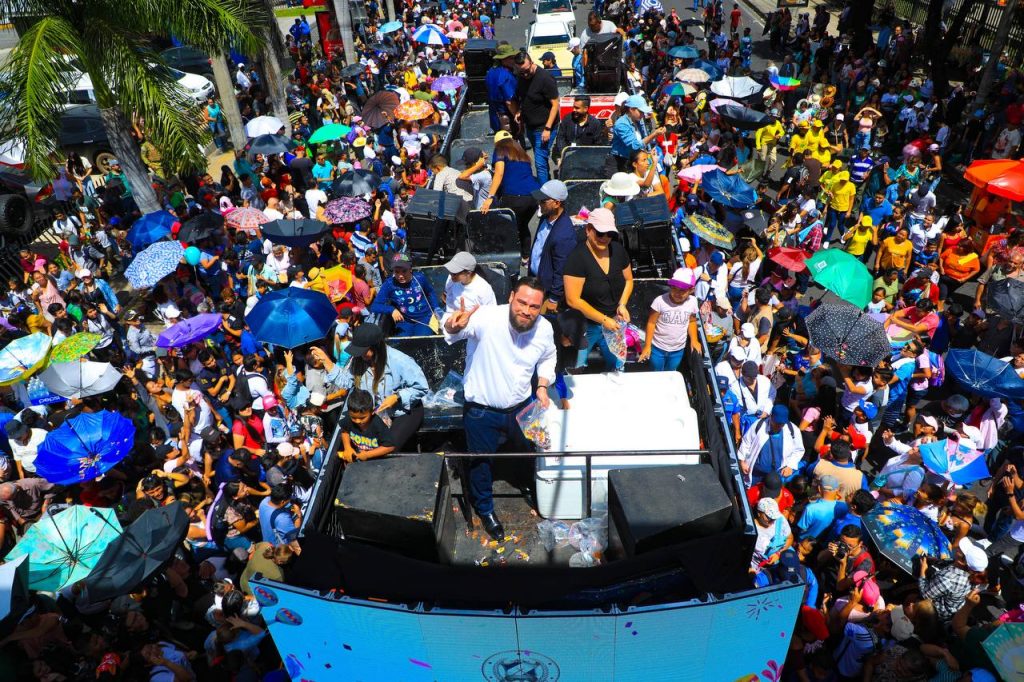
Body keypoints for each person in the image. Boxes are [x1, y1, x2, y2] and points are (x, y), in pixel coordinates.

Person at [443, 277, 556, 541]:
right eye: (522, 302)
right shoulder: (487, 318)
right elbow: (454, 330)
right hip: (482, 411)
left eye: (534, 307)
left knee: (529, 452)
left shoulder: (545, 329)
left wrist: (541, 384)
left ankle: (531, 486)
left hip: (522, 407)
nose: (527, 311)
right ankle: (485, 509)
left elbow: (549, 356)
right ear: (511, 297)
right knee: (481, 463)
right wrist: (452, 323)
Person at [563, 208, 634, 372]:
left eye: (610, 234)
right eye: (600, 233)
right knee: (576, 367)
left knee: (616, 364)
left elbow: (629, 280)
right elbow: (573, 300)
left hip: (614, 322)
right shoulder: (577, 258)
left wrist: (622, 305)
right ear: (588, 230)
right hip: (586, 326)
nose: (605, 238)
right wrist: (603, 320)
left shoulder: (618, 250)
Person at [480, 131, 540, 268]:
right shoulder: (521, 153)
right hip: (533, 197)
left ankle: (508, 262)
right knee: (522, 225)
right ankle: (526, 257)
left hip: (515, 196)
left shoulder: (500, 150)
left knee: (507, 228)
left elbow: (499, 173)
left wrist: (490, 197)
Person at [639, 267, 702, 371]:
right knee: (656, 371)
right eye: (674, 288)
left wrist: (694, 340)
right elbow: (651, 323)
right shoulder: (660, 301)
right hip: (657, 348)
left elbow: (692, 321)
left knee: (671, 372)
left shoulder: (693, 302)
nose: (677, 293)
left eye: (682, 290)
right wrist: (647, 346)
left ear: (691, 290)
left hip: (678, 349)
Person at [528, 180, 577, 311]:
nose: (539, 203)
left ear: (556, 203)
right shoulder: (545, 218)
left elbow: (561, 269)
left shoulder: (564, 234)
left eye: (543, 201)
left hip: (548, 293)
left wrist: (554, 298)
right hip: (536, 282)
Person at [369, 253, 441, 337]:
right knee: (403, 344)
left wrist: (436, 309)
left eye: (404, 271)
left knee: (422, 340)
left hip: (425, 318)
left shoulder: (419, 278)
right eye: (397, 272)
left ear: (410, 269)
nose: (400, 276)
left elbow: (430, 292)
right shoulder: (389, 284)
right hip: (405, 321)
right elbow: (375, 306)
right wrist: (391, 310)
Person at [737, 403, 804, 485]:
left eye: (782, 423)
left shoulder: (793, 430)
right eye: (777, 423)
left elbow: (799, 450)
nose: (779, 426)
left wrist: (790, 466)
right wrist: (742, 461)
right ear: (771, 416)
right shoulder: (759, 425)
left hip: (777, 474)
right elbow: (746, 443)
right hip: (756, 473)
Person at [338, 389, 395, 463]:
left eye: (362, 418)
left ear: (372, 412)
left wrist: (368, 455)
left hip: (378, 460)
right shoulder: (348, 420)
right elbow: (345, 431)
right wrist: (347, 447)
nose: (358, 421)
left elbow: (389, 446)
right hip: (358, 458)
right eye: (354, 417)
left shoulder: (378, 424)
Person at [551, 95, 607, 168]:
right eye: (573, 107)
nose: (574, 110)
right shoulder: (567, 119)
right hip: (568, 155)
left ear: (585, 108)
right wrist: (563, 154)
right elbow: (560, 138)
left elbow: (597, 145)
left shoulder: (595, 124)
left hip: (586, 159)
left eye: (577, 108)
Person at [611, 95, 663, 172]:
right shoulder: (621, 124)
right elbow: (634, 146)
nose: (643, 115)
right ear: (631, 109)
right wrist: (654, 134)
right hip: (620, 164)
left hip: (632, 162)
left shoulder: (638, 121)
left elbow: (642, 142)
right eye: (640, 112)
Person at [441, 251, 496, 319]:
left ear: (468, 273)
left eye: (455, 273)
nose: (451, 275)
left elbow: (491, 315)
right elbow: (449, 303)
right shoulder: (450, 280)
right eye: (450, 272)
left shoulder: (484, 289)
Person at [484, 44, 520, 134]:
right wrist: (517, 117)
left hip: (494, 117)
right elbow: (509, 102)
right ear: (503, 59)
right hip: (507, 120)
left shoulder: (491, 71)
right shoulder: (506, 75)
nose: (514, 60)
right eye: (511, 58)